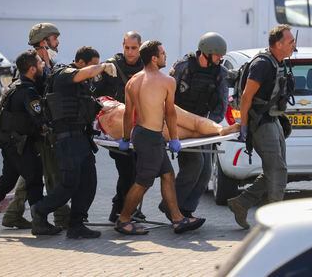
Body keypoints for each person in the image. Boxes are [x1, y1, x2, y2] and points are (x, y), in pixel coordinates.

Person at [115, 40, 205, 235]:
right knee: (143, 181)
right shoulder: (166, 81)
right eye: (163, 53)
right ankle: (123, 219)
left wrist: (125, 138)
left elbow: (128, 113)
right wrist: (174, 138)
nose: (166, 56)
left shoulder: (133, 81)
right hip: (151, 136)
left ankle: (177, 219)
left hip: (140, 133)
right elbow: (170, 114)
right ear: (154, 59)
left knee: (167, 174)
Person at [0, 50, 61, 236]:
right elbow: (39, 119)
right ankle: (40, 222)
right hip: (21, 144)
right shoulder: (28, 92)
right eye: (40, 64)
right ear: (32, 69)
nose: (43, 66)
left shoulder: (13, 87)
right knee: (34, 180)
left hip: (10, 143)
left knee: (7, 181)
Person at [30, 54, 117, 238]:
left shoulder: (82, 86)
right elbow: (83, 73)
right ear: (80, 63)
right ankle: (39, 210)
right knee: (70, 184)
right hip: (66, 140)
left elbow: (86, 108)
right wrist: (102, 66)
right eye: (91, 65)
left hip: (81, 139)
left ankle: (76, 225)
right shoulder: (64, 75)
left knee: (88, 183)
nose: (94, 71)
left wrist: (102, 106)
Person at [2, 22, 71, 230]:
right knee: (52, 173)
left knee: (32, 174)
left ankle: (13, 214)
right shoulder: (32, 63)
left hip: (42, 127)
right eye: (54, 38)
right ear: (44, 41)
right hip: (38, 129)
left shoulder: (48, 62)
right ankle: (62, 217)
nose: (57, 42)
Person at [228, 24, 295, 229]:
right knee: (277, 169)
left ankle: (241, 203)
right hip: (260, 122)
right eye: (291, 42)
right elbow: (247, 96)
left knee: (274, 170)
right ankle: (274, 222)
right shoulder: (262, 64)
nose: (294, 45)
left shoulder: (278, 62)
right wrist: (244, 127)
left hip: (272, 120)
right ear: (278, 44)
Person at [159, 32, 229, 219]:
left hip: (202, 126)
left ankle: (186, 210)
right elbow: (167, 96)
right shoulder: (183, 68)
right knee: (194, 165)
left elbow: (221, 105)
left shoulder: (220, 74)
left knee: (206, 173)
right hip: (180, 124)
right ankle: (171, 206)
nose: (220, 59)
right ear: (206, 52)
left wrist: (210, 127)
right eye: (217, 55)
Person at [94, 31, 145, 223]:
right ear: (122, 46)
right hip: (116, 130)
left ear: (140, 48)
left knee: (139, 171)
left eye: (134, 48)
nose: (130, 52)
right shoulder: (111, 66)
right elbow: (96, 96)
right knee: (127, 171)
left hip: (139, 128)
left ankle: (128, 208)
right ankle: (119, 210)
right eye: (127, 48)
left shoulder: (146, 66)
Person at [94, 96, 239, 140]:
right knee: (193, 124)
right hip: (145, 111)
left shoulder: (96, 111)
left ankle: (222, 130)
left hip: (142, 123)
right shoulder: (103, 101)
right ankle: (221, 129)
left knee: (193, 130)